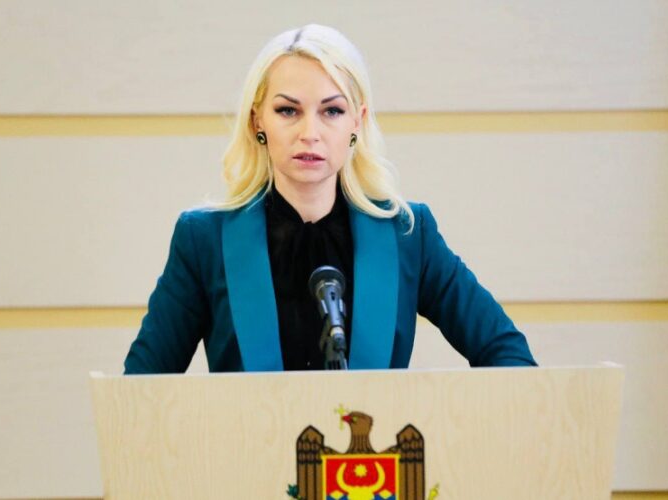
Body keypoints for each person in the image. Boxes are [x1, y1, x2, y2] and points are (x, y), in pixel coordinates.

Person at [124, 24, 536, 374]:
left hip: (369, 449)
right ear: (257, 120)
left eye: (332, 111)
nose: (310, 133)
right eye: (288, 111)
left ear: (358, 121)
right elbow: (139, 390)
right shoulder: (203, 241)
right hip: (250, 449)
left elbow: (510, 358)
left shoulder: (408, 235)